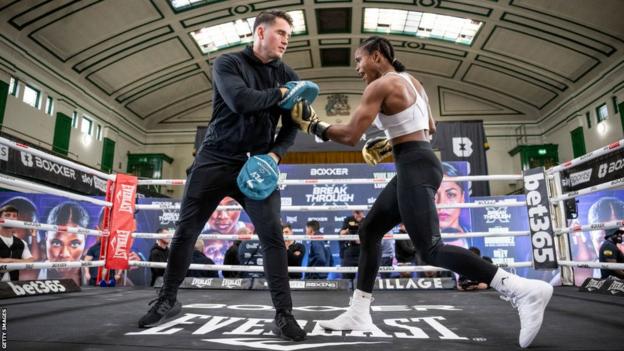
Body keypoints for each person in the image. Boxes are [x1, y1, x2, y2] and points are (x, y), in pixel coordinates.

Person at [288, 35, 553, 348]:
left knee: (430, 249)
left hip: (414, 165)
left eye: (359, 60)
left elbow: (349, 135)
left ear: (375, 56)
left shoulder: (379, 85)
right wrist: (389, 142)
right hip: (419, 160)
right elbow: (430, 127)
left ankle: (520, 288)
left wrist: (313, 125)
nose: (358, 68)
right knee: (370, 229)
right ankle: (359, 311)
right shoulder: (412, 81)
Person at [138, 10, 308, 341]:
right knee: (186, 231)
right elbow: (240, 100)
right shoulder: (227, 64)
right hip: (214, 158)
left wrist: (274, 155)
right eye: (281, 32)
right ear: (261, 32)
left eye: (290, 34)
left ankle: (283, 314)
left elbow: (291, 127)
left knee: (273, 235)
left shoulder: (288, 74)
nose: (287, 39)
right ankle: (167, 300)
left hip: (257, 165)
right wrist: (284, 95)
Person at [40, 201, 88, 286]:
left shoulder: (89, 272)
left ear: (85, 238)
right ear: (46, 238)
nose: (64, 254)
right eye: (56, 243)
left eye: (75, 244)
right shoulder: (32, 272)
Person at [1, 197, 42, 280]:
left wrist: (34, 236)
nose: (29, 219)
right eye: (8, 215)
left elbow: (33, 260)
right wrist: (22, 263)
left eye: (14, 216)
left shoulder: (22, 243)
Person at [437, 162, 471, 248]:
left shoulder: (475, 237)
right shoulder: (415, 239)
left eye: (451, 195)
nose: (442, 203)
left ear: (462, 198)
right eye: (433, 195)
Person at [339, 210, 364, 279]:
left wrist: (361, 240)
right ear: (353, 213)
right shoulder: (348, 220)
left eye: (360, 212)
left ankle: (363, 289)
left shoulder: (366, 221)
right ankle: (347, 289)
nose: (358, 214)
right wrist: (348, 229)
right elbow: (341, 233)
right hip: (350, 252)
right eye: (356, 213)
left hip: (363, 252)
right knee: (346, 277)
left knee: (365, 276)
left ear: (363, 213)